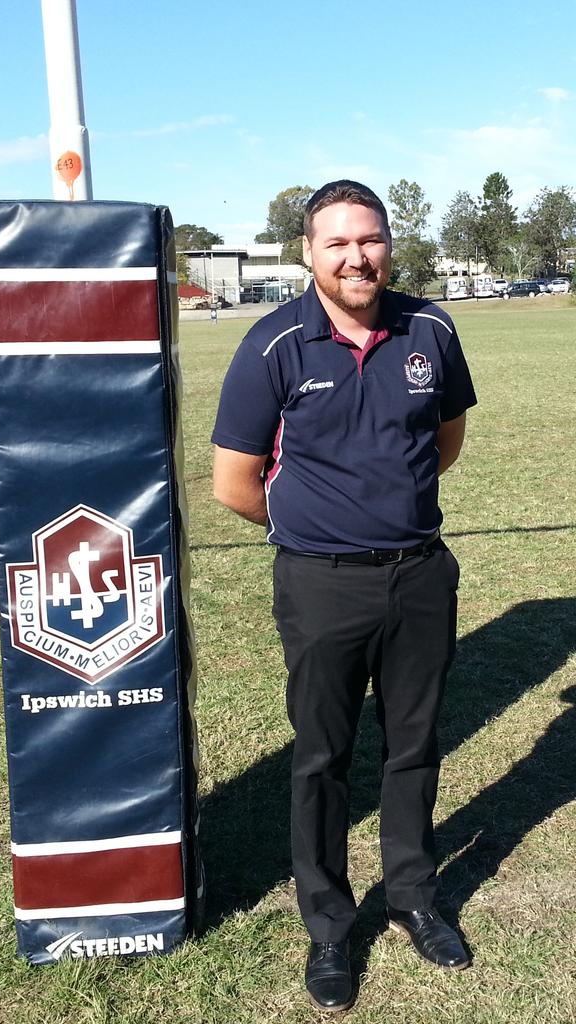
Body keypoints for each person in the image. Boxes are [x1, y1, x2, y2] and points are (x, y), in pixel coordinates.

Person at [211, 181, 477, 1013]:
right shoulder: (273, 345)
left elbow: (447, 439)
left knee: (414, 745)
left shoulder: (429, 327)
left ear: (389, 244)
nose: (357, 256)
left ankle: (412, 896)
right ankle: (328, 925)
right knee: (322, 757)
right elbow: (234, 483)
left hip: (420, 574)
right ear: (308, 254)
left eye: (370, 240)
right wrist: (313, 529)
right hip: (320, 583)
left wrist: (391, 512)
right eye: (337, 244)